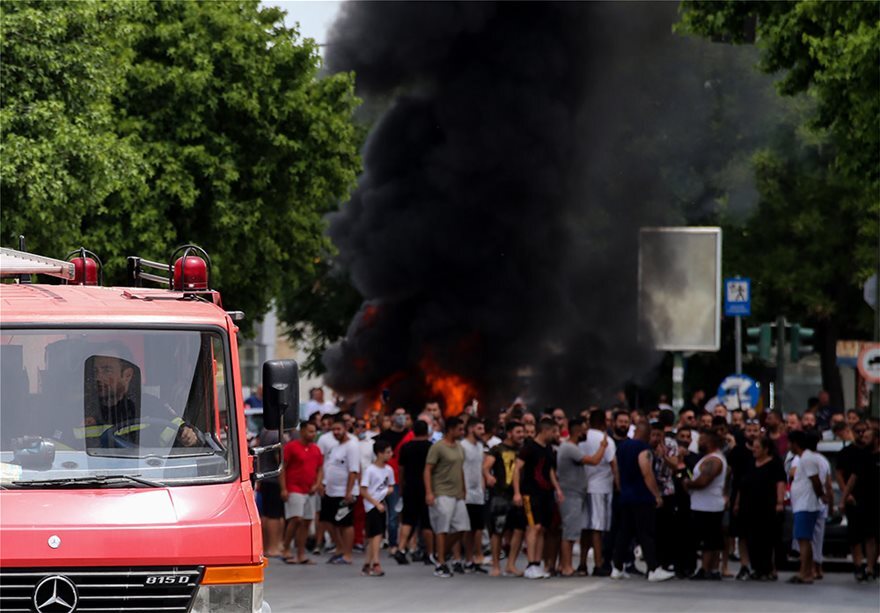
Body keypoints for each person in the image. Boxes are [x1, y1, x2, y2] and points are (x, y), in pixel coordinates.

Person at [611, 422, 674, 582]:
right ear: (647, 434)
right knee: (646, 533)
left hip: (626, 496)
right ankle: (653, 568)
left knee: (624, 533)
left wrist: (620, 487)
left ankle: (617, 567)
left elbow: (616, 469)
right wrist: (656, 495)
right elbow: (646, 472)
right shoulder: (643, 449)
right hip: (641, 497)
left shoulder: (622, 447)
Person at [556, 417, 608, 576]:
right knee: (569, 532)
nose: (586, 434)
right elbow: (594, 461)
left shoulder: (572, 447)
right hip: (570, 494)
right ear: (578, 431)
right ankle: (566, 566)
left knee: (571, 531)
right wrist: (603, 446)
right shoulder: (570, 448)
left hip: (575, 494)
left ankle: (564, 565)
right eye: (584, 430)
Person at [513, 418, 563, 579]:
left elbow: (550, 471)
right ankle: (531, 564)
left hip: (546, 494)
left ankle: (537, 562)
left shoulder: (548, 448)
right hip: (530, 493)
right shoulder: (529, 448)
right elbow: (517, 468)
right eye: (553, 431)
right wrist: (517, 492)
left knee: (542, 528)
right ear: (544, 430)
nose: (555, 434)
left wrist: (557, 489)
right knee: (533, 527)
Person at [735, 436, 786, 581]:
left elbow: (780, 483)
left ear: (766, 449)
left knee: (766, 538)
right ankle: (756, 568)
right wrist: (737, 503)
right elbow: (742, 484)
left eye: (757, 447)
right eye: (753, 447)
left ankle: (767, 569)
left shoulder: (774, 464)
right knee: (751, 538)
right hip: (749, 506)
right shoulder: (750, 463)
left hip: (766, 506)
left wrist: (779, 502)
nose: (754, 450)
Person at [425, 416, 469, 578]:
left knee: (462, 527)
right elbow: (428, 469)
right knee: (442, 529)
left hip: (457, 494)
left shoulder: (459, 447)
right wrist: (429, 492)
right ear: (450, 429)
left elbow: (460, 468)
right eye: (459, 429)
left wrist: (463, 488)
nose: (462, 432)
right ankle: (441, 563)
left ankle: (441, 553)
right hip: (441, 492)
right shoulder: (438, 447)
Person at [484, 420, 527, 577]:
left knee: (519, 529)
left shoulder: (523, 451)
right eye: (518, 432)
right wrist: (488, 476)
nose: (521, 435)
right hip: (500, 494)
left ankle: (511, 564)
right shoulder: (497, 449)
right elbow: (486, 466)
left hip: (518, 494)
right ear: (509, 433)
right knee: (497, 531)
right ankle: (496, 565)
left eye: (522, 432)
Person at [684, 430, 727, 580]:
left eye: (701, 440)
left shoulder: (714, 460)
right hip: (703, 504)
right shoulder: (707, 458)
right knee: (712, 539)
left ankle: (705, 568)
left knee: (709, 540)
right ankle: (712, 569)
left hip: (708, 506)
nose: (698, 442)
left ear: (710, 442)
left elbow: (703, 481)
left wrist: (688, 483)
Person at [839, 424, 879, 582]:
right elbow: (852, 479)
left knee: (872, 536)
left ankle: (870, 567)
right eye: (861, 434)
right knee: (855, 535)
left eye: (867, 436)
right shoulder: (861, 456)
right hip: (858, 500)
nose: (863, 438)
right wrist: (844, 498)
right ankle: (858, 566)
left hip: (875, 501)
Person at [319, 415, 361, 565]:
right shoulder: (336, 447)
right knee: (328, 521)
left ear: (345, 429)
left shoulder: (352, 446)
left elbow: (353, 470)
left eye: (338, 429)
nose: (336, 432)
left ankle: (347, 554)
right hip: (331, 491)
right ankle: (340, 548)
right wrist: (324, 484)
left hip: (344, 492)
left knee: (345, 524)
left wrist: (348, 492)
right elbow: (330, 467)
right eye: (333, 430)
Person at [280, 421, 323, 564]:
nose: (313, 434)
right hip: (294, 487)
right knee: (296, 518)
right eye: (310, 431)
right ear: (302, 431)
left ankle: (301, 553)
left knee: (306, 522)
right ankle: (286, 548)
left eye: (314, 431)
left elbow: (320, 468)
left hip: (310, 490)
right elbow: (283, 468)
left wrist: (317, 484)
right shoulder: (291, 447)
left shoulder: (316, 449)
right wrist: (283, 488)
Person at [580, 409, 617, 576]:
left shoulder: (582, 439)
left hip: (584, 486)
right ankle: (598, 564)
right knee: (597, 527)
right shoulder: (606, 440)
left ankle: (582, 564)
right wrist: (618, 485)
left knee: (586, 527)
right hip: (601, 488)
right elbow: (613, 464)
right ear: (604, 423)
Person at [787, 430, 827, 584]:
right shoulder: (804, 458)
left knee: (804, 540)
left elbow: (815, 480)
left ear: (795, 443)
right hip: (801, 504)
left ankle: (805, 573)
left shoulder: (807, 458)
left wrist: (821, 496)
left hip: (806, 505)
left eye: (790, 443)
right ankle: (806, 571)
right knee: (804, 540)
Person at [726, 418, 761, 580]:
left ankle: (760, 565)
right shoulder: (737, 451)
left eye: (755, 430)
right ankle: (744, 565)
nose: (752, 434)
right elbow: (729, 473)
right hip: (739, 496)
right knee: (741, 533)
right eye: (749, 430)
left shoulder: (766, 450)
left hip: (760, 496)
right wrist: (726, 494)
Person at [397, 420, 435, 565]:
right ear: (427, 431)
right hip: (427, 488)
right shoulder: (431, 448)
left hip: (410, 487)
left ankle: (401, 549)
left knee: (408, 520)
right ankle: (429, 553)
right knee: (427, 522)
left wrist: (401, 486)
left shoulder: (406, 447)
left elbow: (401, 469)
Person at [376, 407, 410, 558]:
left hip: (405, 479)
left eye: (403, 414)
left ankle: (405, 544)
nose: (401, 417)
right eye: (398, 414)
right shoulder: (384, 436)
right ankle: (392, 544)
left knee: (403, 515)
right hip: (388, 479)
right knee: (392, 514)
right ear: (392, 417)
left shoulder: (410, 435)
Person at [360, 439, 395, 577]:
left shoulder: (389, 470)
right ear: (379, 453)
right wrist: (375, 503)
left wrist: (388, 491)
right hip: (372, 505)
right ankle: (376, 562)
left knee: (376, 535)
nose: (390, 454)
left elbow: (390, 485)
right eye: (387, 452)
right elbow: (363, 490)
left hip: (382, 503)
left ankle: (367, 564)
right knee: (376, 535)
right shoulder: (370, 470)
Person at [461, 417, 488, 573]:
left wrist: (483, 485)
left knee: (478, 527)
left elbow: (481, 467)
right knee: (468, 528)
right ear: (471, 429)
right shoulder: (463, 446)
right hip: (466, 493)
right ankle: (469, 558)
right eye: (479, 429)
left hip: (478, 493)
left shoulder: (480, 446)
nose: (482, 432)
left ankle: (478, 557)